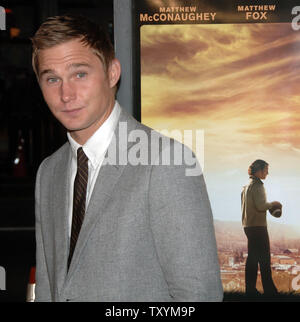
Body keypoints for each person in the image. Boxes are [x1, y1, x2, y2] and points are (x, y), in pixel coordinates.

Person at [31, 14, 223, 302]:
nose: (66, 94)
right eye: (52, 79)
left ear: (112, 73)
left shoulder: (167, 161)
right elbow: (49, 289)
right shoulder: (49, 172)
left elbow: (198, 296)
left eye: (79, 74)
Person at [241, 159, 281, 297]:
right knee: (264, 259)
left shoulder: (246, 186)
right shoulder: (258, 186)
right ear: (259, 170)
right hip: (258, 227)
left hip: (248, 226)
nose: (267, 173)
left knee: (252, 258)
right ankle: (270, 291)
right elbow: (260, 205)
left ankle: (250, 290)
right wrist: (273, 204)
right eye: (266, 170)